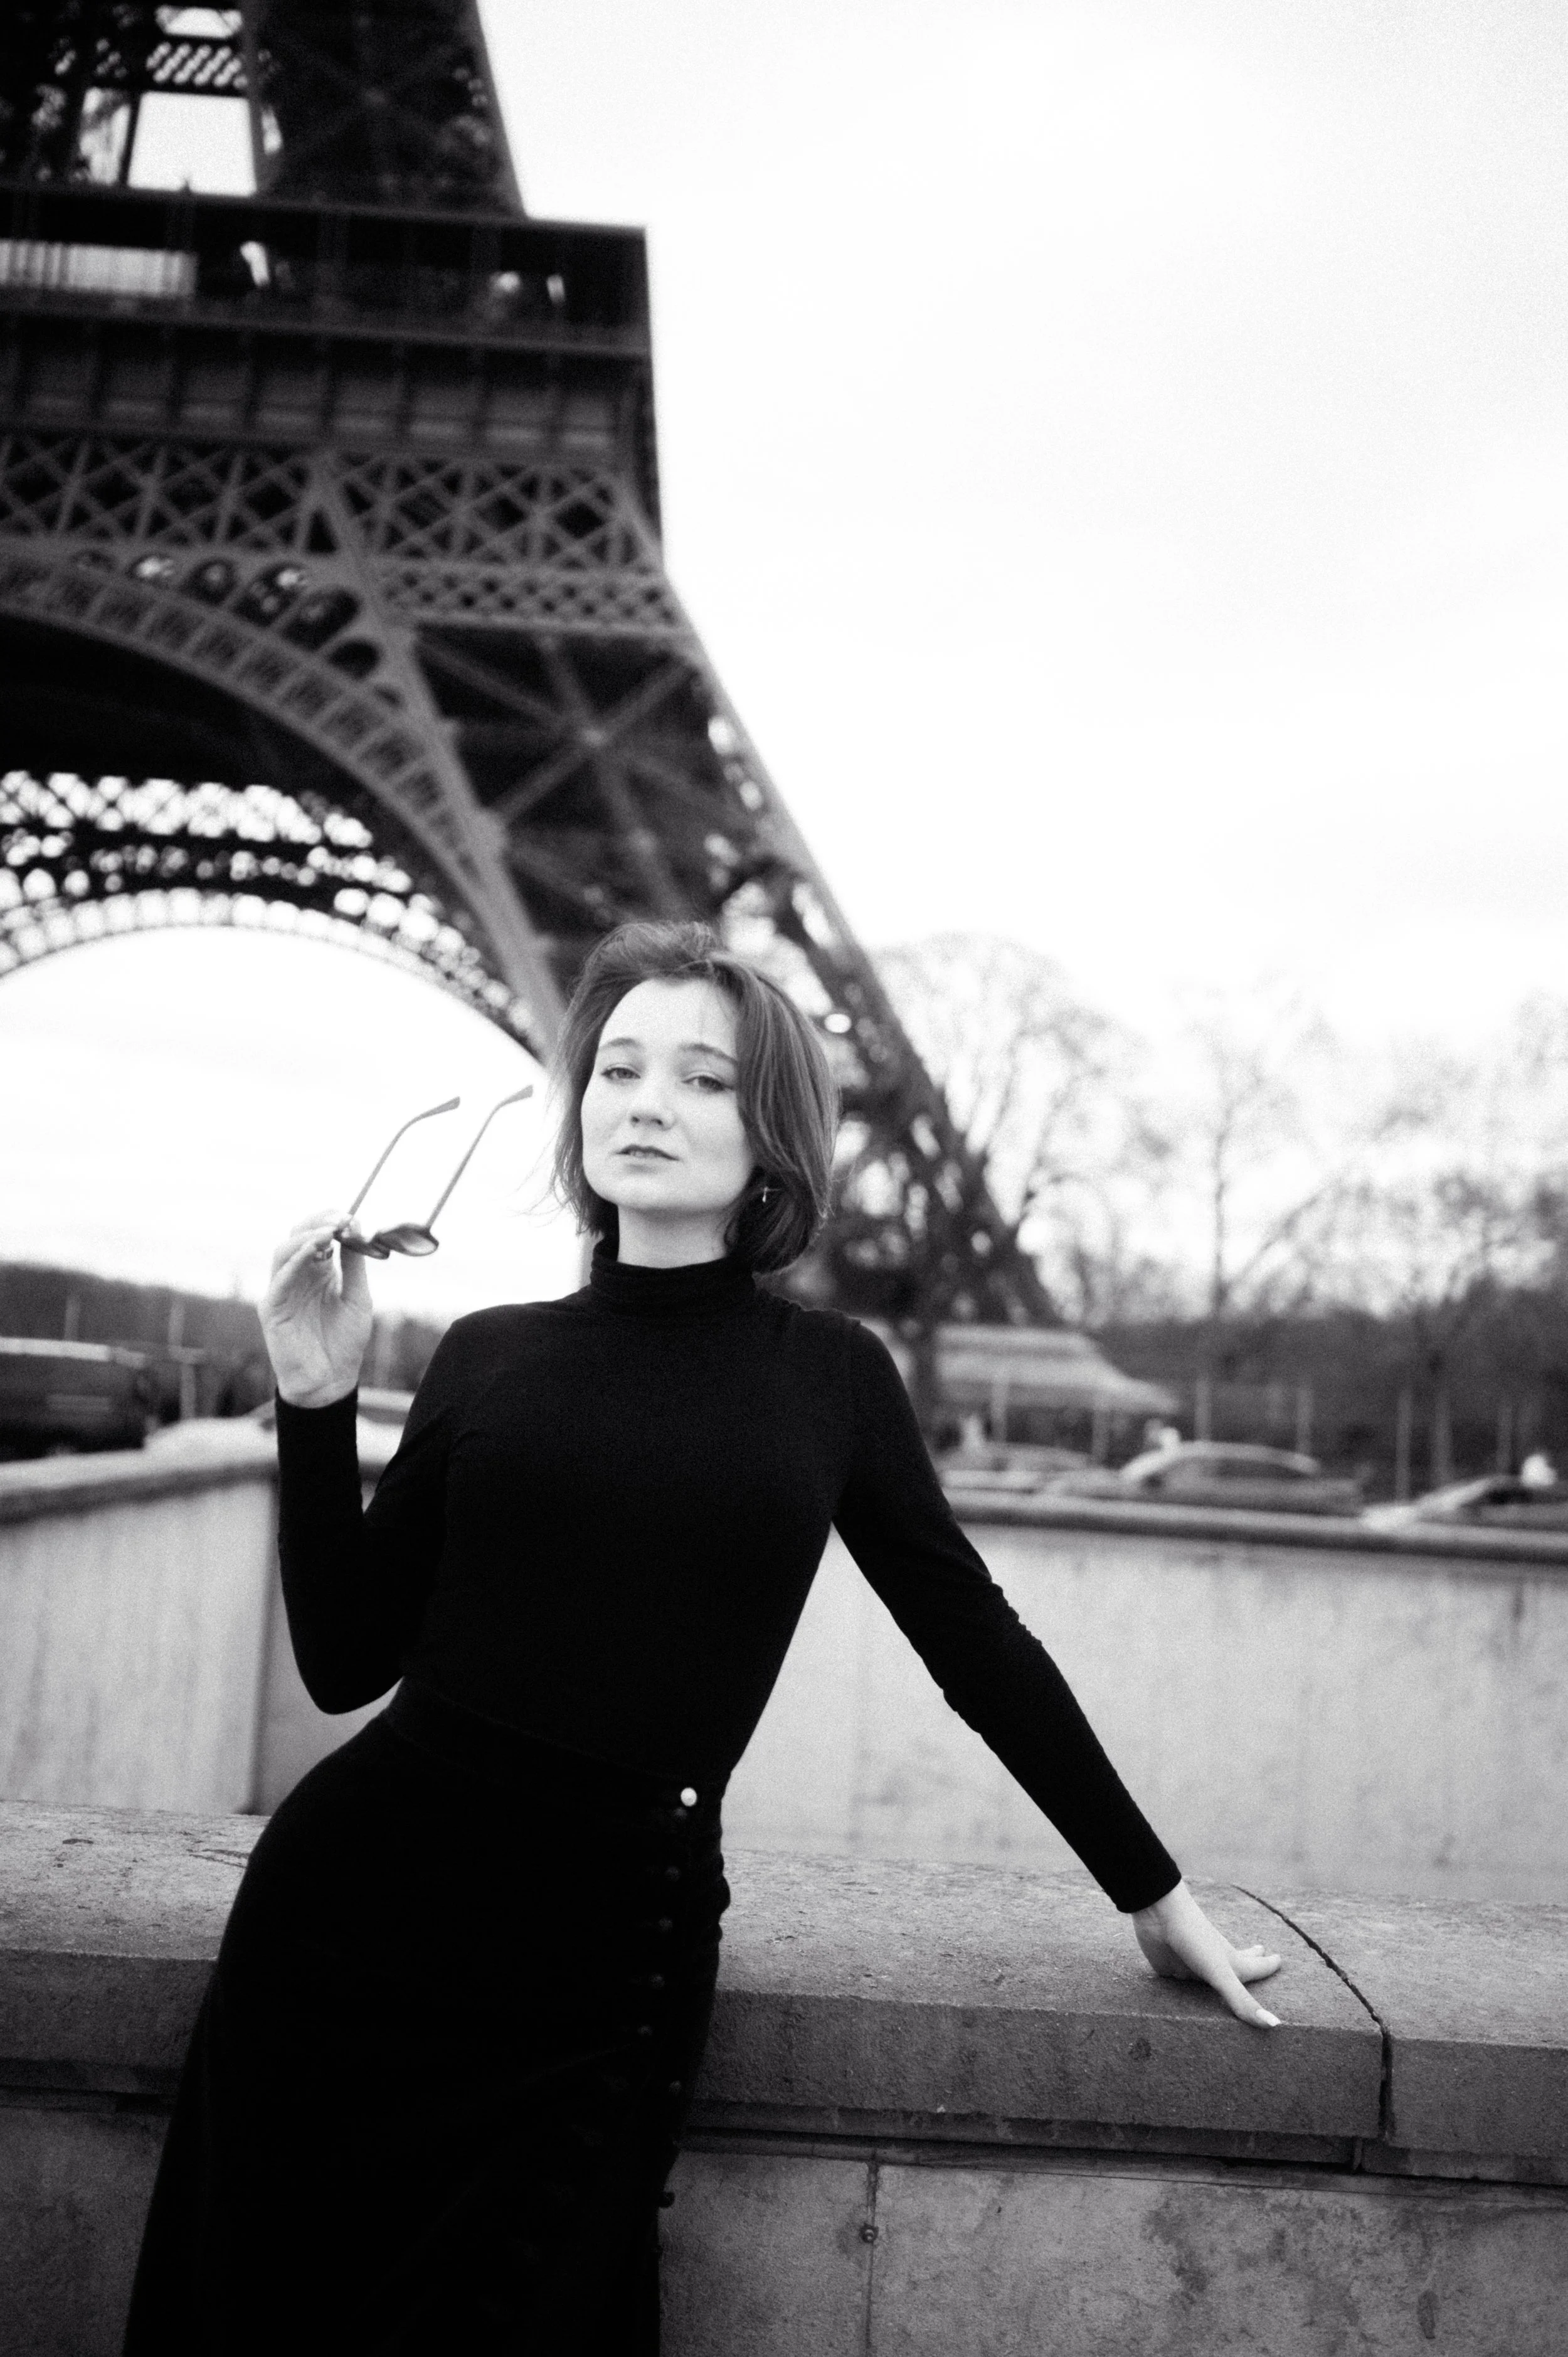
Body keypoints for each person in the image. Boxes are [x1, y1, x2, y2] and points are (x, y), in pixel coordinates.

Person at [124, 920, 1281, 2354]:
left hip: (602, 1965)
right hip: (350, 1922)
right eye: (616, 1069)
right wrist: (314, 1405)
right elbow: (346, 1658)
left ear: (771, 1135)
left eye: (701, 1078)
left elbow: (970, 1638)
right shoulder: (487, 1350)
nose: (645, 1103)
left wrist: (1148, 1889)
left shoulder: (831, 1377)